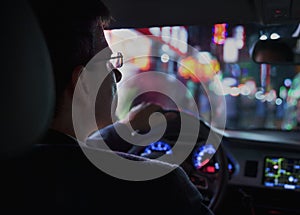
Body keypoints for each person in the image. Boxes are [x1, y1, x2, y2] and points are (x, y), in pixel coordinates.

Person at [28, 0, 214, 214]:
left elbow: (65, 150)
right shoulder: (161, 187)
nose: (117, 75)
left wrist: (125, 128)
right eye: (109, 63)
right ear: (84, 83)